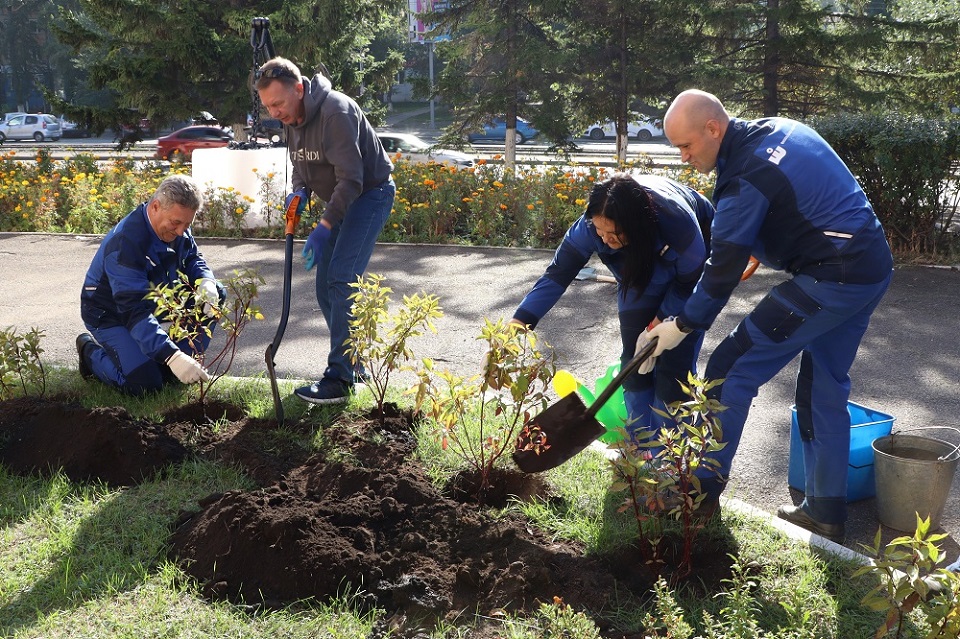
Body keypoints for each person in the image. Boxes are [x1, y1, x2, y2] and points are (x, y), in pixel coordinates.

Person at [646, 89, 893, 542]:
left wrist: (680, 325)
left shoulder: (745, 178)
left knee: (729, 368)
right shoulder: (778, 128)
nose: (683, 157)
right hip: (870, 264)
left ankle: (698, 496)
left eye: (686, 146)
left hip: (832, 276)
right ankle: (824, 511)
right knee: (823, 386)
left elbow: (720, 275)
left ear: (713, 128)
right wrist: (762, 246)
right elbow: (799, 198)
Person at [511, 173, 714, 445]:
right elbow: (557, 275)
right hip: (636, 270)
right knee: (633, 361)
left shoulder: (679, 225)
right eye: (599, 231)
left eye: (614, 233)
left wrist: (659, 324)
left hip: (685, 270)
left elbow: (689, 281)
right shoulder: (588, 228)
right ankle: (642, 447)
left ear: (635, 225)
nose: (605, 239)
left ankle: (671, 453)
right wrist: (519, 323)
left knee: (674, 368)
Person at [255, 56, 395, 405]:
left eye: (278, 103)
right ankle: (354, 363)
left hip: (369, 196)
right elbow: (300, 164)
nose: (274, 112)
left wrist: (324, 226)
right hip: (339, 198)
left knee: (342, 278)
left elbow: (352, 180)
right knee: (324, 286)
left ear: (299, 89)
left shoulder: (336, 113)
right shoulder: (293, 117)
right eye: (268, 106)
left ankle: (340, 378)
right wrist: (300, 191)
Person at [78, 174, 224, 395]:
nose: (181, 231)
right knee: (144, 384)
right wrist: (172, 356)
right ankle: (89, 353)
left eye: (188, 224)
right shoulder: (126, 244)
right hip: (110, 314)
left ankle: (176, 362)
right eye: (176, 223)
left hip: (152, 301)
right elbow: (132, 309)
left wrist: (206, 280)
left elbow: (192, 257)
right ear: (156, 206)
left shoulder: (177, 223)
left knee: (217, 293)